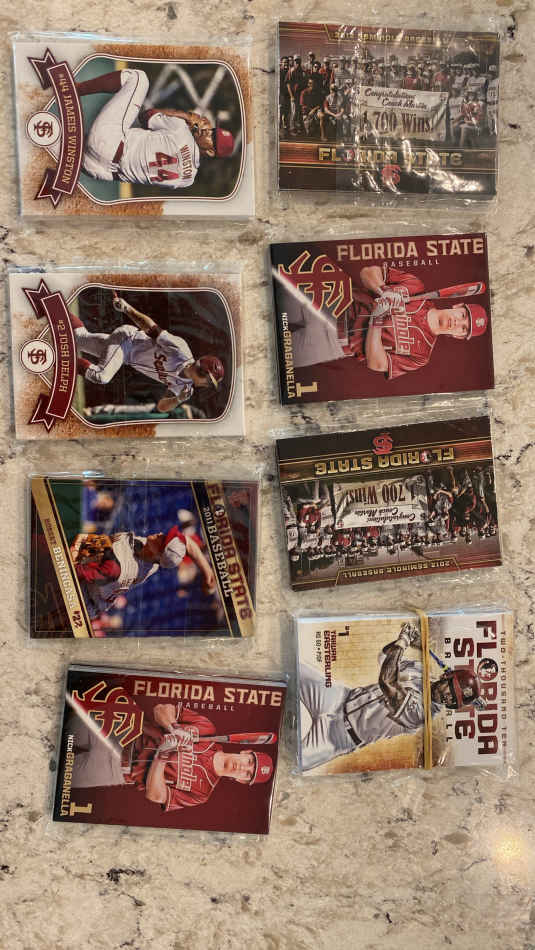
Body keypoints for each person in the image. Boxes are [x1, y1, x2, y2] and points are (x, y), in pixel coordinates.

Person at [299, 622, 484, 770]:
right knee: (295, 668)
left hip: (336, 737)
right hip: (338, 697)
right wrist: (404, 642)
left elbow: (387, 681)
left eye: (453, 700)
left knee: (294, 760)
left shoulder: (422, 714)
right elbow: (384, 658)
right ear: (446, 676)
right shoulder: (421, 670)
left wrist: (403, 641)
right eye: (450, 689)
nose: (446, 697)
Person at [69, 701, 274, 811]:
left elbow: (155, 795)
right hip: (119, 730)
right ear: (245, 752)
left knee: (56, 777)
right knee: (57, 725)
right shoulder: (207, 729)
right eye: (250, 762)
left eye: (248, 774)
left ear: (241, 781)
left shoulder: (202, 793)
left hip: (114, 770)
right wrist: (174, 727)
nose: (243, 768)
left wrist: (162, 756)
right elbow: (160, 709)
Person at [76, 68, 234, 188]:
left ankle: (75, 89)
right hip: (99, 171)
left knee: (138, 78)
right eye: (213, 131)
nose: (208, 131)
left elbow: (146, 116)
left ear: (211, 152)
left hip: (107, 142)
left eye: (212, 137)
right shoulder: (188, 179)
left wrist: (186, 116)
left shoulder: (181, 130)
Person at [69, 292, 224, 413]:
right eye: (209, 381)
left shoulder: (185, 388)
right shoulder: (180, 350)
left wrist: (178, 400)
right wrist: (127, 309)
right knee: (101, 376)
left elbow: (161, 407)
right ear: (202, 371)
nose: (207, 385)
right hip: (128, 339)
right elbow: (151, 328)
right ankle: (63, 361)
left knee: (79, 338)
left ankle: (58, 310)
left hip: (126, 356)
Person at [343, 264, 488, 380]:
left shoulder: (421, 356)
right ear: (458, 306)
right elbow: (367, 272)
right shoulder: (415, 287)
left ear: (459, 336)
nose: (458, 322)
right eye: (463, 315)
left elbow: (377, 363)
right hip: (340, 299)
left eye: (463, 328)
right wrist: (384, 290)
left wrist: (377, 320)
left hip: (340, 341)